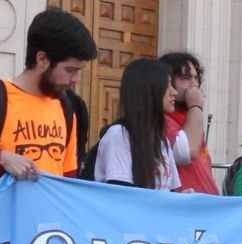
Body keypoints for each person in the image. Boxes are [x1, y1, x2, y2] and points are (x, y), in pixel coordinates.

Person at [0, 8, 97, 191]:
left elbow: (67, 179)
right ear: (42, 59)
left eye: (79, 70)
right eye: (70, 70)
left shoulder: (66, 108)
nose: (76, 79)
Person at [92, 58, 187, 190]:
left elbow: (169, 192)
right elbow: (122, 193)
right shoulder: (119, 135)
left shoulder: (161, 140)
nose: (174, 92)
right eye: (167, 85)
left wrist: (182, 197)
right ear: (148, 90)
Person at [159, 52, 215, 193]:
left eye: (196, 78)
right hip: (185, 202)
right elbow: (187, 152)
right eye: (186, 78)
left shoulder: (189, 116)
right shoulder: (162, 119)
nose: (194, 84)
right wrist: (196, 106)